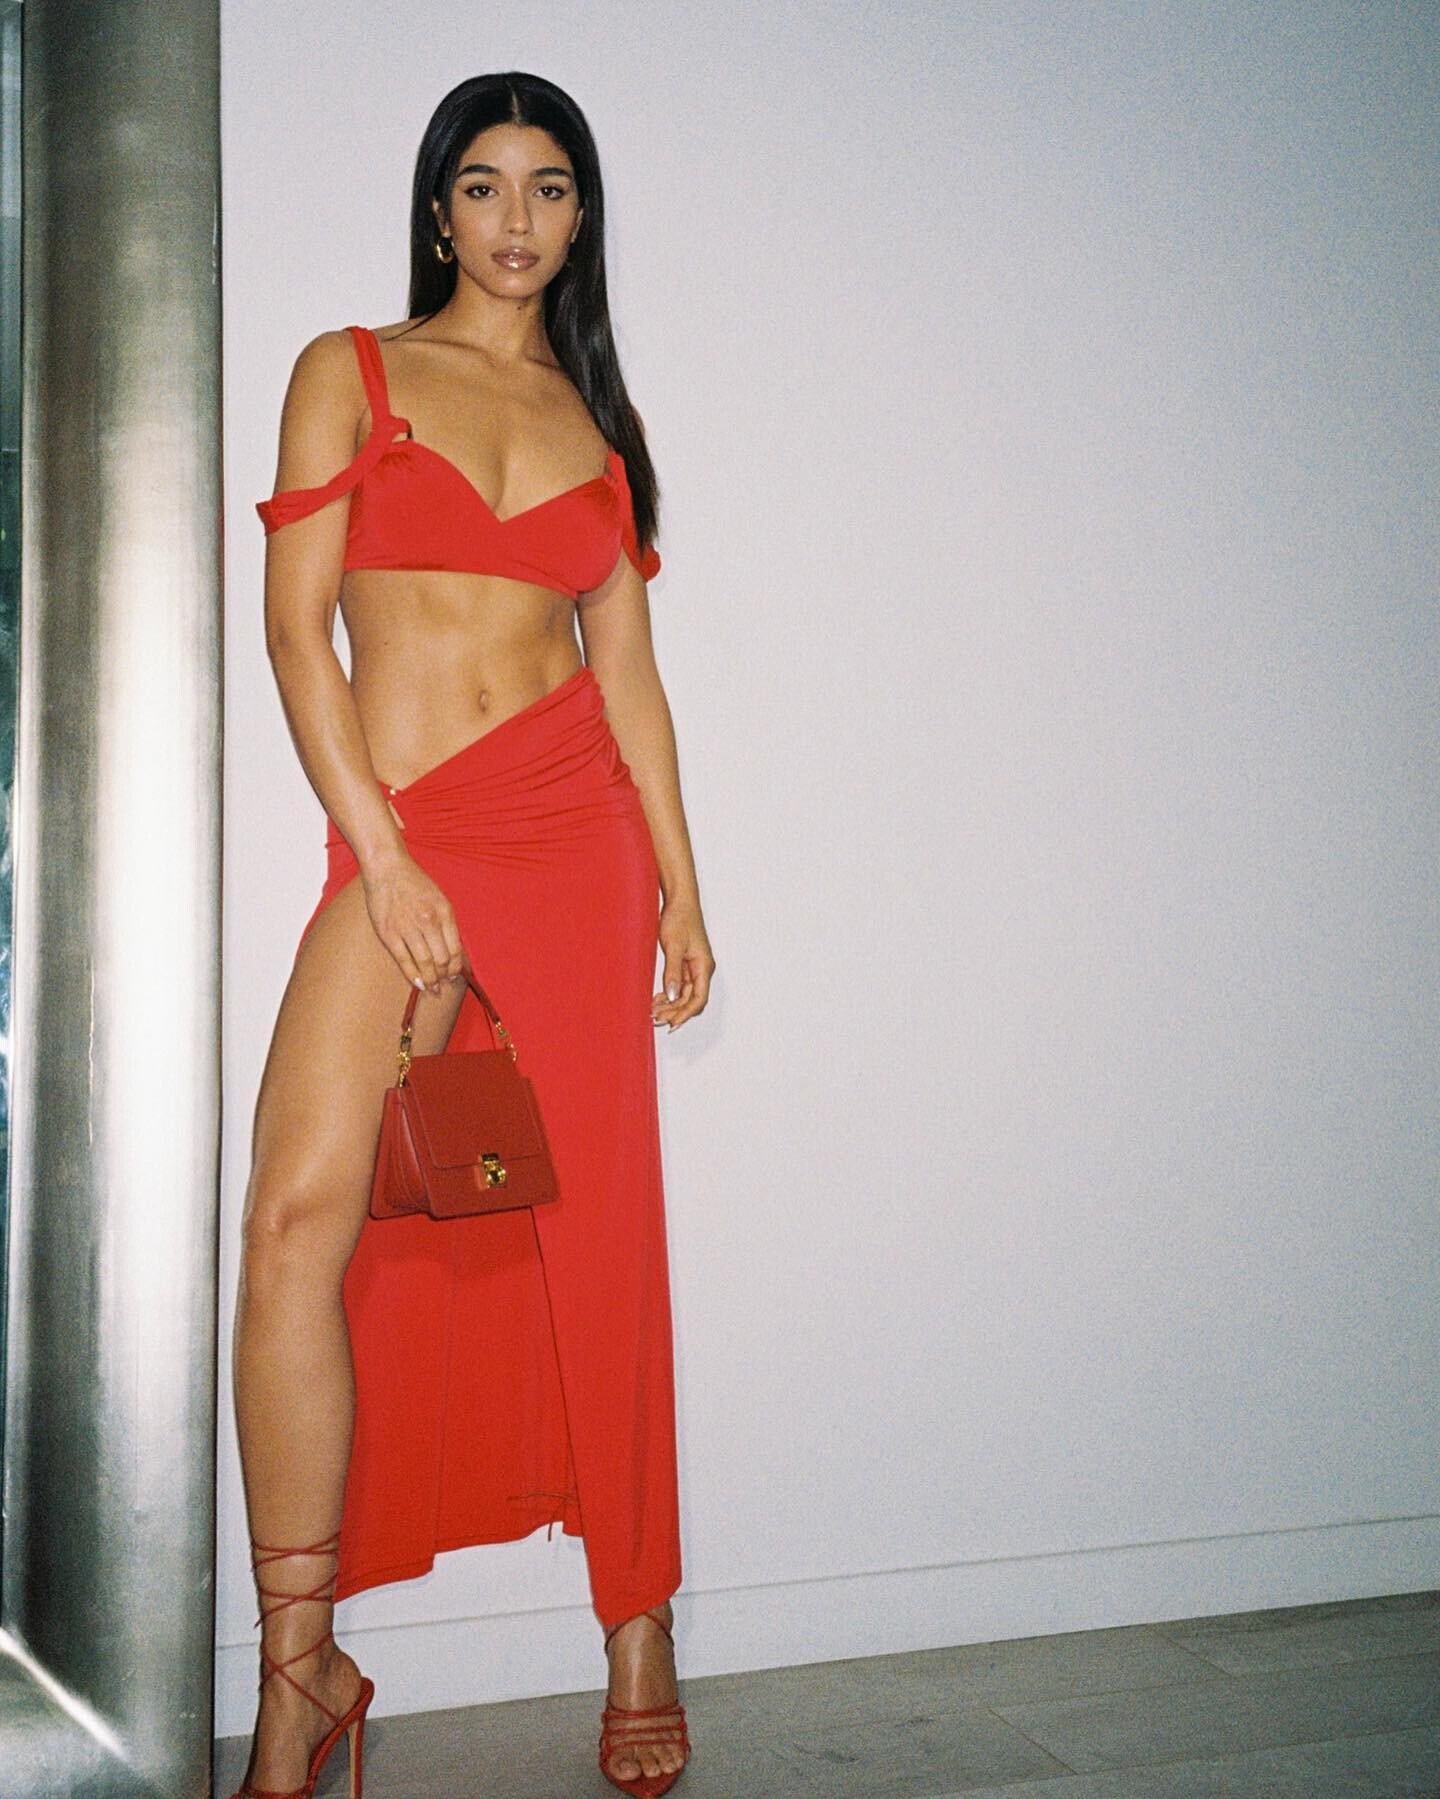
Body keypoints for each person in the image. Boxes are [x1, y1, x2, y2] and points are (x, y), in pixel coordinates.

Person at [230, 70, 712, 1799]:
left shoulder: (598, 423)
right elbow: (298, 636)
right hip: (410, 830)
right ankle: (302, 1670)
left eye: (552, 187)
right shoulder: (348, 372)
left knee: (605, 1240)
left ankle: (639, 1623)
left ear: (581, 218)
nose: (520, 218)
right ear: (439, 210)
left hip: (577, 836)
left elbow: (628, 676)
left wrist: (684, 882)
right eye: (488, 184)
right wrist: (381, 854)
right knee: (295, 1224)